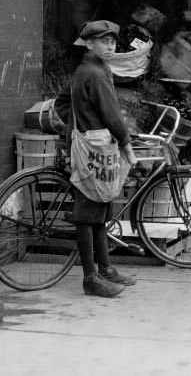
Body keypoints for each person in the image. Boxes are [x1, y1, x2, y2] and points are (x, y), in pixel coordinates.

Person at [70, 20, 138, 298]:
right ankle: (90, 278)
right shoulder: (94, 73)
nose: (109, 46)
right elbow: (111, 114)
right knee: (88, 215)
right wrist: (126, 142)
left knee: (99, 212)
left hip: (94, 144)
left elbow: (64, 101)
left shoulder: (92, 69)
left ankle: (106, 269)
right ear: (88, 44)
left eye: (112, 42)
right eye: (103, 41)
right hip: (94, 148)